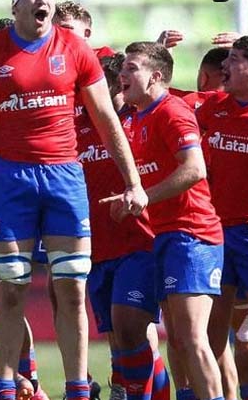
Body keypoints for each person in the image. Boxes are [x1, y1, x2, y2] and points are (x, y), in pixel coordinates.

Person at [0, 0, 147, 400]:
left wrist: (133, 181)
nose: (44, 0)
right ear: (16, 4)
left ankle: (77, 387)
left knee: (72, 289)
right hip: (11, 180)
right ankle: (6, 386)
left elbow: (106, 118)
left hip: (64, 179)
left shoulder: (74, 48)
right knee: (12, 289)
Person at [112, 41, 224, 400]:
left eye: (131, 68)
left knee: (193, 338)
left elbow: (195, 168)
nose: (122, 75)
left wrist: (144, 195)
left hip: (192, 233)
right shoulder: (138, 115)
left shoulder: (171, 112)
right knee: (176, 340)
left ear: (155, 77)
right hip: (166, 235)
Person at [79, 53, 168, 400]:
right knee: (121, 338)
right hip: (98, 250)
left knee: (132, 328)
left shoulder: (139, 121)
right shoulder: (81, 126)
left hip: (138, 244)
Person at [197, 32, 248, 400]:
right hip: (217, 233)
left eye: (235, 59)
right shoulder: (214, 107)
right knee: (211, 335)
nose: (225, 65)